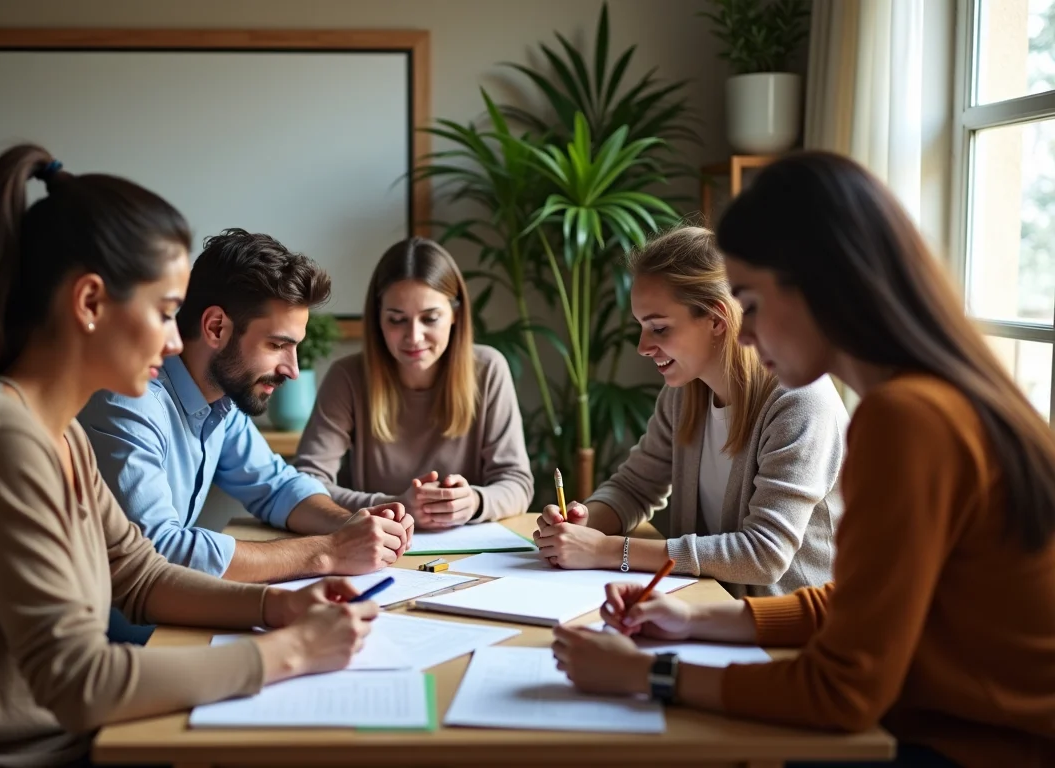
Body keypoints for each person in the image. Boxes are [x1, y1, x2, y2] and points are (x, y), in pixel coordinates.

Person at [0, 146, 379, 767]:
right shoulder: (1, 441)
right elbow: (79, 683)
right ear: (88, 304)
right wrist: (288, 654)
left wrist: (280, 606)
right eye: (165, 313)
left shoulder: (57, 433)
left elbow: (138, 575)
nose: (172, 339)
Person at [552, 152, 1055, 768]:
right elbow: (851, 604)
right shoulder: (933, 396)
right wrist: (700, 625)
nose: (741, 332)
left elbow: (842, 692)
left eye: (751, 305)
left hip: (978, 748)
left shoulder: (906, 419)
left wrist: (652, 676)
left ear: (817, 287)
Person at [78, 229, 412, 586]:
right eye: (276, 345)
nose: (293, 370)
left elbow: (276, 486)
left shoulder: (222, 400)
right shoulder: (130, 401)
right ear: (216, 327)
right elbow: (159, 550)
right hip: (122, 634)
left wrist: (352, 523)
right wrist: (329, 551)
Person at [533, 226, 847, 597]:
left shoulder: (800, 401)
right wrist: (586, 524)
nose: (643, 346)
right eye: (641, 327)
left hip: (782, 630)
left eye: (659, 328)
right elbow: (635, 486)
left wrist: (607, 550)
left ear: (717, 320)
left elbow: (764, 554)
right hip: (704, 608)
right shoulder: (684, 393)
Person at [293, 237, 534, 528]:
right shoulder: (347, 377)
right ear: (378, 318)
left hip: (470, 553)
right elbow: (307, 484)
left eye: (430, 318)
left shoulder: (488, 369)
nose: (414, 337)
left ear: (455, 315)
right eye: (397, 320)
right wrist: (392, 505)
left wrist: (475, 502)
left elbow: (518, 483)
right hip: (375, 546)